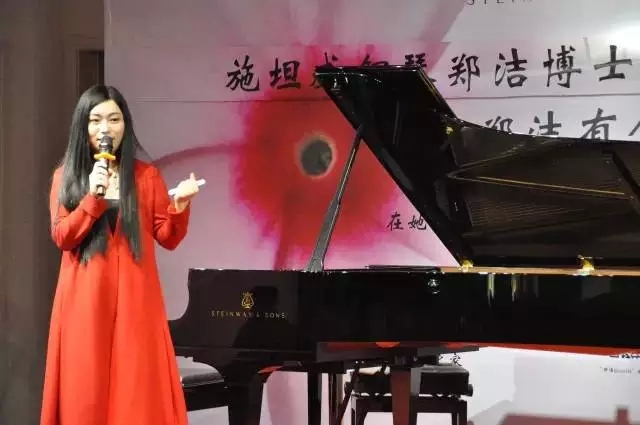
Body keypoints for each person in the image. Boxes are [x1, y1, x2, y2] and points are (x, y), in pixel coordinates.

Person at [40, 85, 199, 425]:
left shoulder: (145, 176)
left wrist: (180, 206)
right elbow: (63, 236)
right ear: (83, 126)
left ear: (125, 125)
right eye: (96, 120)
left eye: (114, 119)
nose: (106, 128)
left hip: (135, 299)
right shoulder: (66, 177)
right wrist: (93, 199)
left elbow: (168, 237)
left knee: (135, 393)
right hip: (85, 301)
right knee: (85, 391)